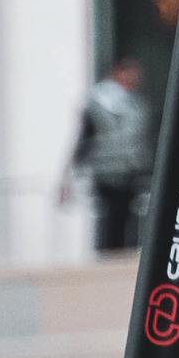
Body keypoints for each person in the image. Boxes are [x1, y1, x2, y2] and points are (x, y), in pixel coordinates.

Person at [65, 57, 154, 256]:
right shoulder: (98, 103)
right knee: (109, 219)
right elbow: (83, 139)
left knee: (125, 219)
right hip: (106, 172)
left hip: (129, 171)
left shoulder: (136, 104)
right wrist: (74, 173)